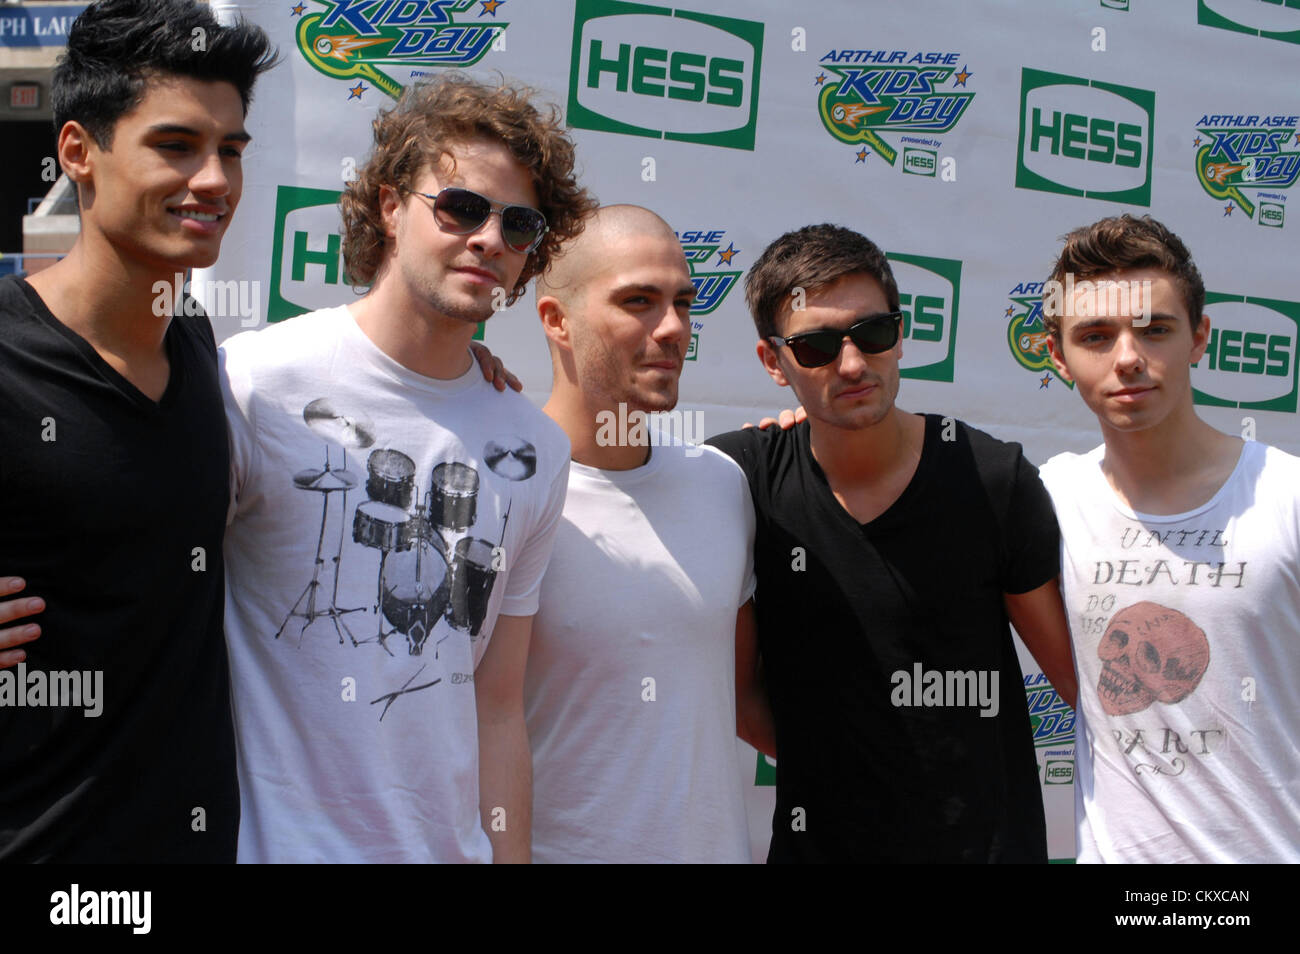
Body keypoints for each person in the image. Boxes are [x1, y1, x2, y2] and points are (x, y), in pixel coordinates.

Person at [217, 74, 594, 862]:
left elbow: (497, 708)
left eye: (519, 224)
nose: (490, 238)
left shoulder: (536, 450)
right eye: (460, 206)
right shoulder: (254, 383)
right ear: (390, 206)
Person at [0, 0, 275, 861]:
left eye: (230, 150)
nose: (214, 181)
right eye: (176, 145)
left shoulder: (196, 341)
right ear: (79, 152)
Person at [707, 223, 1078, 863]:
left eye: (873, 334)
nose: (852, 365)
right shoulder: (738, 482)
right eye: (816, 347)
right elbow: (740, 701)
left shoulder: (993, 479)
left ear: (900, 334)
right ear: (774, 362)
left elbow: (1080, 684)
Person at [1039, 214, 1300, 863]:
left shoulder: (1288, 495)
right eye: (1096, 335)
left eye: (1155, 329)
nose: (1128, 357)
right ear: (1056, 354)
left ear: (1199, 337)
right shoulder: (1042, 501)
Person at [525, 205, 758, 863]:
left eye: (683, 302)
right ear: (555, 319)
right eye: (639, 302)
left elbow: (739, 701)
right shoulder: (500, 489)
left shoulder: (723, 484)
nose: (673, 329)